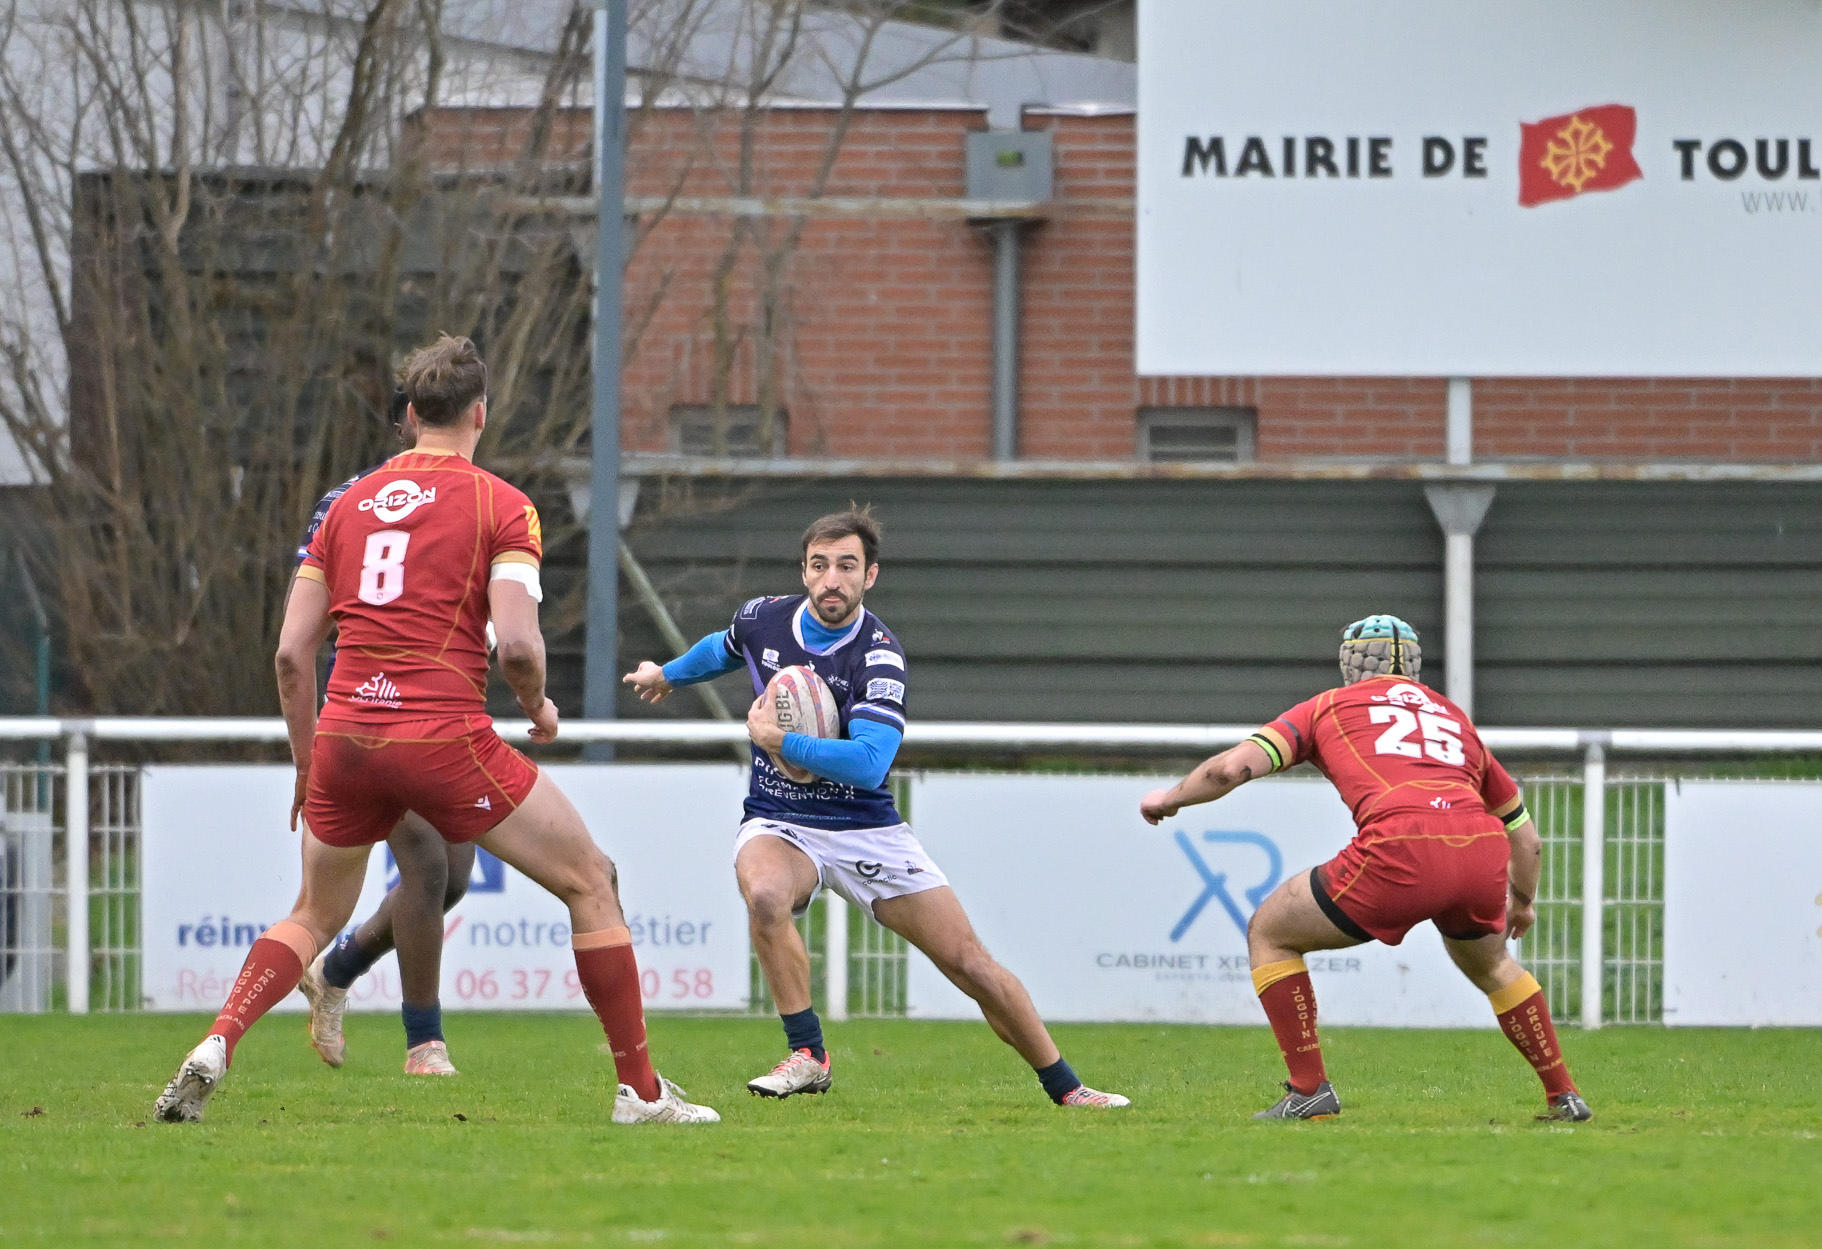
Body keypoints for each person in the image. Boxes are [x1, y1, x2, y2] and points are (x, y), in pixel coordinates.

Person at [153, 334, 717, 1126]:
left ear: (412, 413)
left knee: (313, 913)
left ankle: (218, 1041)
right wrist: (538, 707)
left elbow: (289, 654)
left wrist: (307, 762)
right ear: (480, 413)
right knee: (591, 879)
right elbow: (517, 646)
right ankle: (642, 1094)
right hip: (438, 736)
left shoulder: (344, 506)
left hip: (345, 735)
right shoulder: (501, 504)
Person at [624, 505, 1127, 1109]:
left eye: (846, 566)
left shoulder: (879, 655)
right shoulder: (764, 618)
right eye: (819, 565)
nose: (831, 579)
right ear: (804, 572)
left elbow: (869, 763)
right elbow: (724, 647)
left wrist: (780, 742)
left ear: (870, 576)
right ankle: (808, 1055)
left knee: (969, 965)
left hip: (864, 827)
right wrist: (670, 674)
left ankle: (1068, 1089)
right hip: (781, 819)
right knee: (765, 895)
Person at [1140, 614, 1592, 1124]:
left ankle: (1308, 1090)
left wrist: (1169, 798)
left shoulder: (1328, 706)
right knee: (1492, 966)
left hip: (1401, 843)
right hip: (1478, 846)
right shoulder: (1453, 718)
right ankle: (1564, 1095)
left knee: (1271, 932)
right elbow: (1527, 839)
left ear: (1350, 663)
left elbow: (1229, 769)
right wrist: (1523, 903)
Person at [291, 385, 474, 1077]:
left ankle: (337, 969)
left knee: (453, 877)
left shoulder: (474, 498)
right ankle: (425, 1043)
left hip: (445, 708)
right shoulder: (349, 500)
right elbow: (302, 627)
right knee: (425, 863)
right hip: (371, 709)